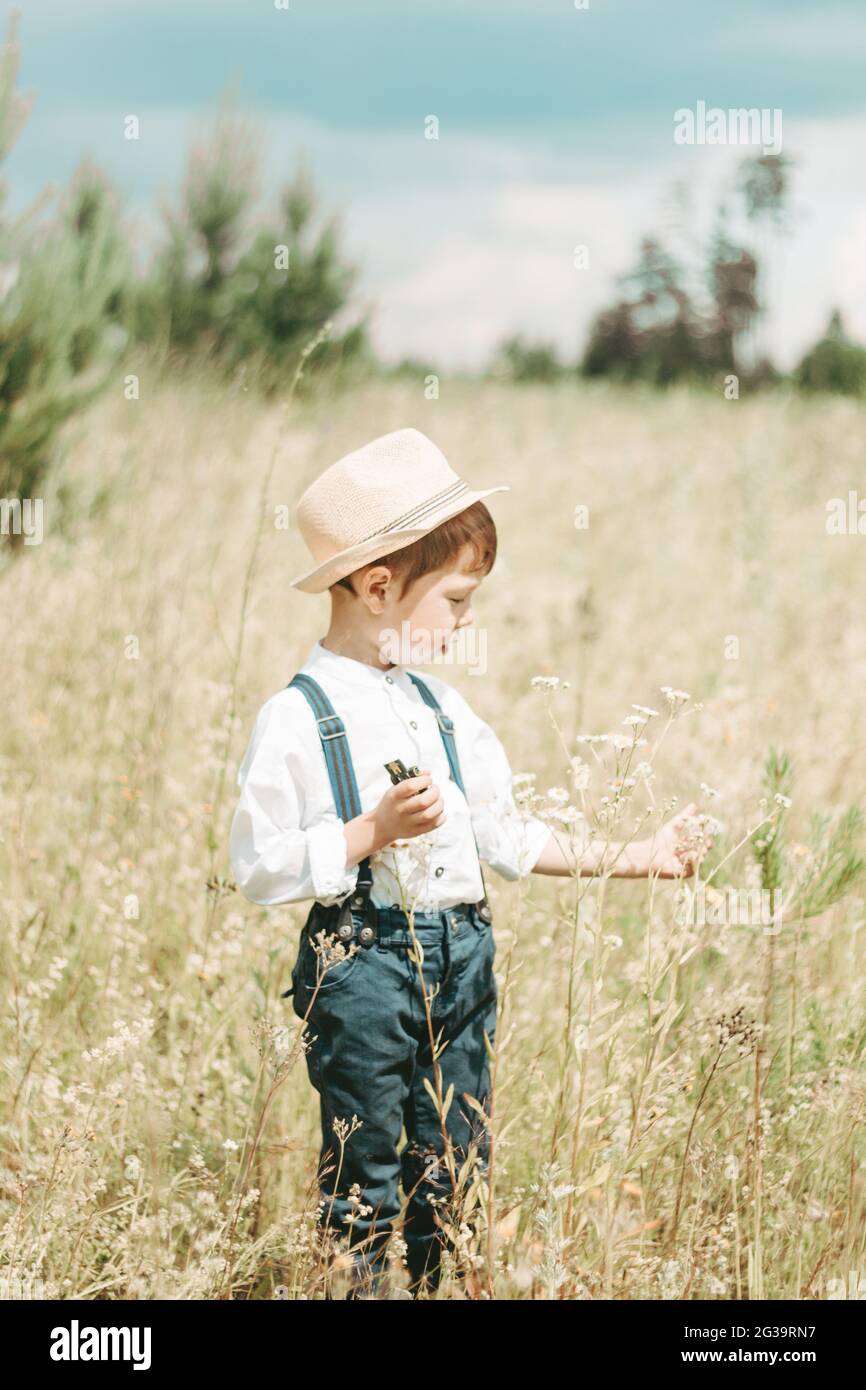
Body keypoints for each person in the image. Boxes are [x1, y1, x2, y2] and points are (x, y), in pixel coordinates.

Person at [229, 427, 709, 1299]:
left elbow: (509, 838)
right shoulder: (299, 717)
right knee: (365, 1175)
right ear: (378, 587)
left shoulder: (445, 712)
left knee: (456, 1169)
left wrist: (643, 857)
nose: (469, 620)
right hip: (364, 967)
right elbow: (256, 865)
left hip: (463, 961)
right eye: (456, 599)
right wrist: (368, 832)